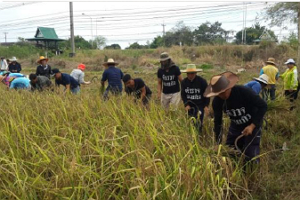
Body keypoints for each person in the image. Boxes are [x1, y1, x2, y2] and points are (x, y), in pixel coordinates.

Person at [204, 71, 267, 167]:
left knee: (250, 154)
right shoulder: (217, 102)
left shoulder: (244, 92)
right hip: (236, 125)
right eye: (218, 94)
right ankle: (234, 171)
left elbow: (263, 106)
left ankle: (250, 174)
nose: (222, 96)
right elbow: (218, 122)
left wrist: (252, 126)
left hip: (252, 123)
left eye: (223, 92)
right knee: (230, 151)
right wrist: (218, 143)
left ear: (229, 88)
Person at [180, 64, 210, 133]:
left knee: (199, 122)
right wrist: (186, 104)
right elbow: (183, 95)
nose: (190, 75)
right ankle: (192, 136)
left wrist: (206, 105)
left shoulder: (202, 81)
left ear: (195, 73)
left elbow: (207, 94)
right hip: (190, 106)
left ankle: (199, 136)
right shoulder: (184, 82)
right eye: (188, 73)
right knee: (191, 122)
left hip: (200, 105)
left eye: (192, 73)